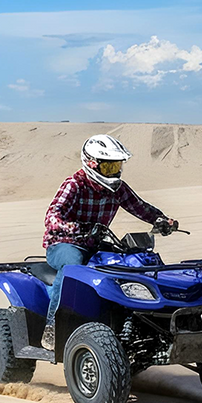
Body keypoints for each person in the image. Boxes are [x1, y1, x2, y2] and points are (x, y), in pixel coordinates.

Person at [39, 134, 177, 351]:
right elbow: (51, 218)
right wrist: (76, 228)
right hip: (64, 244)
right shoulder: (75, 185)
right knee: (72, 267)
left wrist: (161, 219)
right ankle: (52, 327)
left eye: (116, 166)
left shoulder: (118, 188)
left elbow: (139, 207)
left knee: (134, 261)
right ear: (92, 164)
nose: (114, 172)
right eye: (109, 168)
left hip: (96, 243)